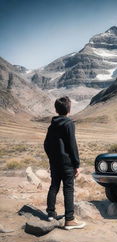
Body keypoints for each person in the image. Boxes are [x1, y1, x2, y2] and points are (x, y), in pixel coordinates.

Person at [44, 96, 85, 230]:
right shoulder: (68, 123)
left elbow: (46, 144)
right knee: (68, 189)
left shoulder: (52, 125)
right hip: (67, 163)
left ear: (56, 109)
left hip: (55, 163)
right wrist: (76, 164)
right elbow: (72, 145)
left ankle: (50, 214)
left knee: (54, 186)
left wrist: (52, 159)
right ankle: (69, 220)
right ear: (69, 108)